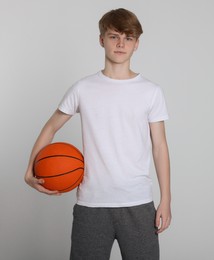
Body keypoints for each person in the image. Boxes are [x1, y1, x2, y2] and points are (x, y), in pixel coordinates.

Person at [24, 8, 171, 260]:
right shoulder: (83, 88)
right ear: (101, 40)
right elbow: (51, 126)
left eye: (128, 37)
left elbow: (159, 146)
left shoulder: (150, 91)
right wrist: (30, 169)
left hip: (137, 202)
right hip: (91, 205)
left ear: (137, 44)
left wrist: (166, 199)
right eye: (114, 36)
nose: (121, 43)